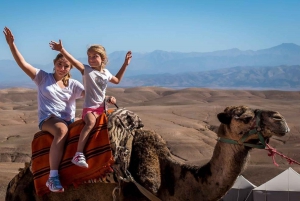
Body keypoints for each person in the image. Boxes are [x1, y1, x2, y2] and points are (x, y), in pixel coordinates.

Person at [3, 27, 85, 193]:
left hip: (69, 119)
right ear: (54, 65)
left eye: (66, 66)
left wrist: (107, 99)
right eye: (59, 64)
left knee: (89, 125)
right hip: (49, 119)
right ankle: (52, 177)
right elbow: (23, 64)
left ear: (71, 68)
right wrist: (12, 45)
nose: (62, 68)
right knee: (62, 130)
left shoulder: (74, 85)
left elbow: (91, 95)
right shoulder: (42, 77)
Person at [49, 39, 132, 168]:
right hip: (90, 109)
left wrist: (125, 64)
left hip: (102, 108)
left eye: (95, 56)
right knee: (91, 123)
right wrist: (61, 50)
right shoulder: (86, 70)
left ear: (103, 58)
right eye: (89, 56)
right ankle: (78, 154)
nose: (91, 59)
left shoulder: (106, 73)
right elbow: (73, 61)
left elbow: (117, 80)